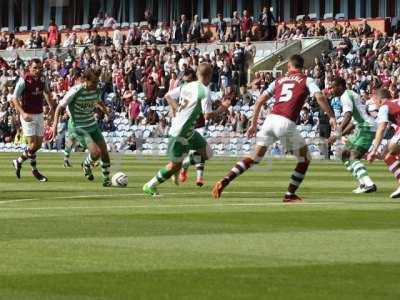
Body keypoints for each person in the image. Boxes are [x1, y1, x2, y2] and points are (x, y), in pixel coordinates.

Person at [212, 55, 337, 202]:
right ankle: (289, 195)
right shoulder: (307, 80)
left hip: (270, 121)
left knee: (254, 157)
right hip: (285, 122)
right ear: (301, 67)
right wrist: (331, 116)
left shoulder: (278, 80)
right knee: (305, 159)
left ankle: (225, 180)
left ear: (289, 66)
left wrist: (253, 124)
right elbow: (319, 96)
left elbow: (259, 100)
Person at [143, 63, 231, 196]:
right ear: (210, 76)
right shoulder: (204, 91)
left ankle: (186, 161)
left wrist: (177, 108)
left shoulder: (187, 85)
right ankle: (149, 185)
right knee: (174, 166)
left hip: (189, 131)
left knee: (208, 153)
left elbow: (167, 95)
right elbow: (207, 115)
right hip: (180, 132)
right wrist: (222, 108)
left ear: (197, 74)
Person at [51, 69, 112, 187]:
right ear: (85, 80)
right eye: (93, 82)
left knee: (105, 153)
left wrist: (106, 111)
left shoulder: (96, 90)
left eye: (97, 82)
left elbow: (98, 101)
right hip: (78, 126)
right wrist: (54, 126)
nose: (95, 85)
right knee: (95, 153)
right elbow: (59, 107)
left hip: (92, 124)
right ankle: (85, 164)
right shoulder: (75, 91)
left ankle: (106, 180)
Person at [328, 77, 377, 193]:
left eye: (333, 87)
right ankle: (363, 184)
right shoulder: (350, 94)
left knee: (353, 156)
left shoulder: (346, 96)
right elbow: (353, 122)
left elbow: (348, 116)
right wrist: (338, 136)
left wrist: (336, 133)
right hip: (362, 127)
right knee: (343, 154)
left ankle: (369, 184)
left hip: (366, 128)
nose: (331, 89)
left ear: (340, 86)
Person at [11, 58, 53, 182]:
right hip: (27, 114)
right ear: (30, 68)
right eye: (35, 68)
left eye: (40, 68)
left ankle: (18, 161)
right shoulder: (24, 80)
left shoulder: (43, 78)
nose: (37, 70)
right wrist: (22, 113)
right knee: (33, 144)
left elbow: (46, 91)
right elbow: (14, 98)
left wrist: (50, 105)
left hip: (39, 113)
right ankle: (35, 171)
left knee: (38, 145)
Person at [367, 88, 400, 198]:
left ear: (378, 99)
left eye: (374, 101)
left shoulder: (384, 107)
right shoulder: (395, 102)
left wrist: (373, 150)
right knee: (387, 154)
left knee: (391, 148)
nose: (374, 104)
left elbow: (381, 129)